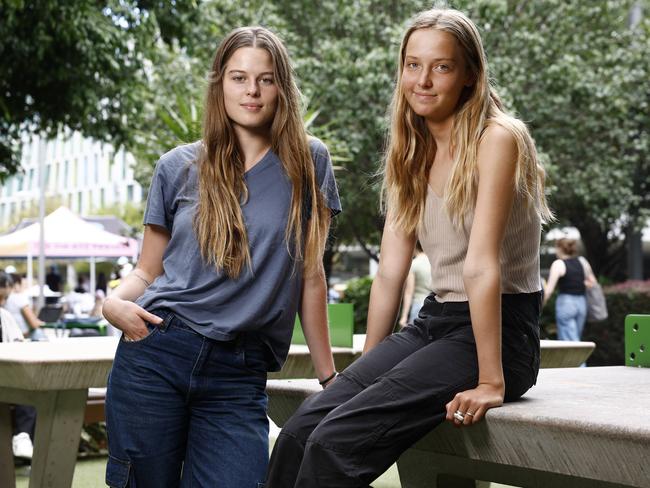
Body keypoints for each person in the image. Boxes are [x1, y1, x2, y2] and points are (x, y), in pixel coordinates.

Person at [265, 7, 553, 487]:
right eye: (412, 65)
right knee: (300, 432)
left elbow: (482, 267)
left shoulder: (498, 138)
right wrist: (371, 366)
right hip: (434, 323)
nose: (423, 79)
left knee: (335, 442)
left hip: (499, 333)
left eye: (441, 66)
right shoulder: (412, 150)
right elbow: (389, 274)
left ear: (468, 75)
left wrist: (491, 380)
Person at [102, 26, 341, 488]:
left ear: (282, 88)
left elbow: (311, 276)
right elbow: (147, 271)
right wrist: (113, 303)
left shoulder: (310, 163)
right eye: (238, 77)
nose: (251, 90)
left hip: (239, 373)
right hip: (156, 352)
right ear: (220, 84)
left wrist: (331, 377)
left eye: (265, 79)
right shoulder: (177, 166)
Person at [0, 271, 36, 460]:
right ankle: (23, 435)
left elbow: (17, 343)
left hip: (7, 376)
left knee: (27, 387)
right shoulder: (4, 314)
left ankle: (23, 436)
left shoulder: (4, 315)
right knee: (27, 389)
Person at [543, 238, 596, 341]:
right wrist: (583, 283)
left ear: (559, 248)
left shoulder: (558, 264)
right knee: (576, 338)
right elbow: (593, 282)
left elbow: (549, 290)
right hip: (581, 303)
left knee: (569, 342)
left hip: (566, 303)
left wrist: (542, 303)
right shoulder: (582, 261)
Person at [398, 241, 431, 327]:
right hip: (435, 306)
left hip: (419, 306)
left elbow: (409, 292)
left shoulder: (413, 264)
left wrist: (404, 316)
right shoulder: (434, 262)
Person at [5, 273, 46, 341]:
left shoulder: (4, 299)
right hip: (23, 336)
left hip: (8, 336)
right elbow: (34, 324)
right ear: (17, 284)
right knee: (39, 333)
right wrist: (40, 323)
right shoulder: (20, 298)